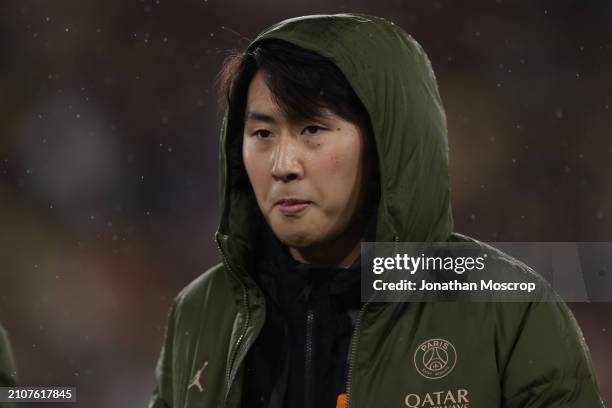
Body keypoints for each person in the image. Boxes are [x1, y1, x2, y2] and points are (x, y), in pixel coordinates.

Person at [148, 13, 604, 408]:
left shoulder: (508, 307)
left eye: (312, 128)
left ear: (387, 144)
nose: (283, 165)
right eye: (263, 133)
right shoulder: (200, 311)